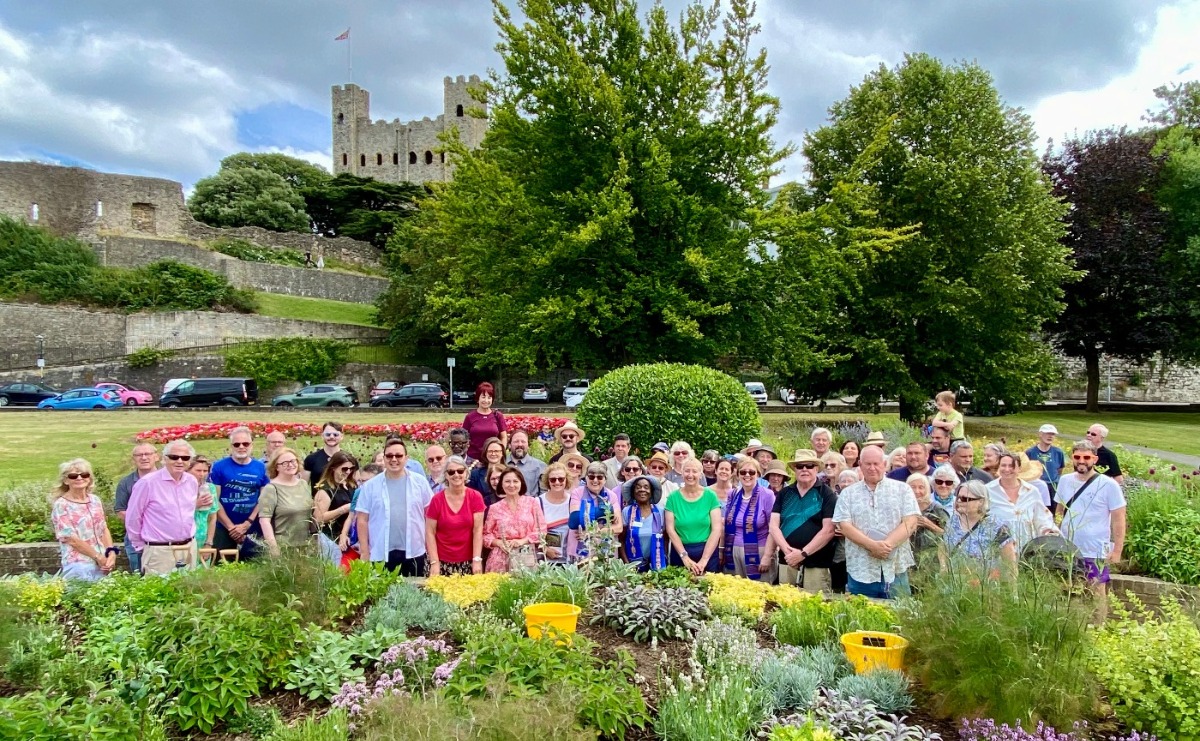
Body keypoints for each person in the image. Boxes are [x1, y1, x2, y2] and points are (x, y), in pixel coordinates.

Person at [832, 445, 919, 599]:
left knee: (901, 617)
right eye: (868, 464)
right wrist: (872, 546)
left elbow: (910, 521)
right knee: (862, 617)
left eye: (876, 464)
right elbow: (844, 526)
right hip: (861, 570)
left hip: (895, 568)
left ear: (884, 464)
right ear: (860, 465)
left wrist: (887, 546)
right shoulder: (848, 494)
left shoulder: (902, 489)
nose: (872, 468)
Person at [1055, 440, 1126, 619]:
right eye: (1077, 457)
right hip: (1068, 546)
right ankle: (1072, 625)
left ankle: (1099, 627)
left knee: (1097, 589)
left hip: (1095, 548)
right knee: (1068, 587)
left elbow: (1119, 519)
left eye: (1086, 457)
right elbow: (1059, 511)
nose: (1081, 461)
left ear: (1094, 459)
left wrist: (1117, 550)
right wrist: (1055, 534)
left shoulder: (1108, 485)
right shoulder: (1064, 481)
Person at [354, 438, 435, 575]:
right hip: (381, 552)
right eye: (389, 456)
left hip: (414, 550)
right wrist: (364, 551)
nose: (394, 459)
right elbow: (362, 520)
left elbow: (430, 514)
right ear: (384, 458)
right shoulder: (370, 486)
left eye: (398, 456)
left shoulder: (419, 482)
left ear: (406, 458)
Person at [127, 440, 205, 575]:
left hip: (188, 548)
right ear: (164, 459)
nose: (179, 461)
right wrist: (141, 547)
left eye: (185, 458)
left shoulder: (191, 481)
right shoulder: (147, 483)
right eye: (174, 457)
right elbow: (133, 517)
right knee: (159, 593)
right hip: (160, 551)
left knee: (189, 592)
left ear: (189, 461)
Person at [770, 449, 837, 593]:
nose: (805, 469)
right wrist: (788, 552)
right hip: (787, 561)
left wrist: (802, 554)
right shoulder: (784, 494)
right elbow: (774, 526)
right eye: (800, 466)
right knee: (785, 605)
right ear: (794, 469)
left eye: (809, 465)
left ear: (817, 468)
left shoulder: (827, 494)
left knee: (814, 608)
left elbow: (829, 530)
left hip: (816, 563)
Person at [210, 426, 271, 560]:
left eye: (245, 443)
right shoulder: (219, 467)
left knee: (255, 565)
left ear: (252, 445)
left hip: (252, 526)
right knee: (223, 568)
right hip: (224, 528)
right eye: (237, 444)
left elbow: (264, 499)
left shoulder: (260, 467)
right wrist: (231, 528)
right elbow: (215, 500)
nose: (241, 447)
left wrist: (247, 524)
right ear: (231, 446)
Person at [52, 458, 117, 581]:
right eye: (73, 476)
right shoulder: (61, 505)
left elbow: (103, 529)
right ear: (66, 480)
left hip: (102, 564)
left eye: (84, 474)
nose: (79, 478)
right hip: (78, 564)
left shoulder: (95, 500)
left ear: (89, 478)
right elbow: (71, 539)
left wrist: (111, 553)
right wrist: (98, 557)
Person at [425, 456, 486, 576]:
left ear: (466, 473)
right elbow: (429, 532)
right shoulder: (437, 500)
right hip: (441, 561)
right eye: (451, 472)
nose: (456, 475)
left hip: (468, 561)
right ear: (446, 475)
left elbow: (478, 530)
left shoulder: (475, 497)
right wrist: (434, 562)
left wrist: (477, 559)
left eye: (460, 471)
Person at [942, 480, 1016, 578]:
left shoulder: (997, 526)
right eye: (958, 497)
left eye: (965, 498)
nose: (959, 501)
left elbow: (1010, 564)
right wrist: (943, 566)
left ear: (980, 501)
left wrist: (1012, 591)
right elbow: (943, 546)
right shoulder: (952, 522)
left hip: (984, 587)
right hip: (955, 585)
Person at [986, 451, 1058, 551]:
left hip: (1027, 551)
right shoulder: (987, 490)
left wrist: (1049, 532)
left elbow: (1042, 518)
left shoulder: (1032, 491)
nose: (1007, 469)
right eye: (1003, 465)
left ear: (1019, 468)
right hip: (998, 553)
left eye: (1012, 466)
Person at [664, 458, 722, 575]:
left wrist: (704, 560)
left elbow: (717, 529)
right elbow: (670, 529)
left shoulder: (710, 496)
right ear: (682, 473)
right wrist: (684, 557)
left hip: (707, 551)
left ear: (701, 474)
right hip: (681, 552)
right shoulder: (673, 498)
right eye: (687, 471)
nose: (690, 475)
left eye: (694, 471)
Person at [483, 467, 546, 572]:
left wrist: (522, 541)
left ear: (521, 483)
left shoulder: (532, 503)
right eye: (507, 481)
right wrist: (499, 543)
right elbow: (486, 535)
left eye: (515, 481)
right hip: (499, 559)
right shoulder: (494, 508)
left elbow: (541, 530)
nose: (511, 485)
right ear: (501, 484)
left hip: (525, 555)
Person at [723, 458, 777, 580]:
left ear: (758, 474)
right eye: (743, 472)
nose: (747, 475)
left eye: (751, 472)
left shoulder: (767, 495)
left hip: (759, 552)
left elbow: (773, 528)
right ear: (738, 475)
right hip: (733, 551)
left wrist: (768, 556)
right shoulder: (733, 494)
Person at [259, 447, 315, 554]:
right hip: (284, 548)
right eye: (284, 463)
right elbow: (264, 520)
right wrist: (273, 548)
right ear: (276, 467)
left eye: (293, 461)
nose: (290, 465)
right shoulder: (271, 489)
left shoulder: (303, 484)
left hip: (305, 547)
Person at [113, 442, 159, 574]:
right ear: (134, 459)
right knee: (139, 575)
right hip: (135, 539)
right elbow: (120, 510)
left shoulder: (166, 480)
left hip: (161, 538)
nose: (144, 458)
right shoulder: (126, 483)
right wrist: (143, 522)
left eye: (147, 454)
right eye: (139, 455)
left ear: (156, 456)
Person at [568, 461, 624, 559]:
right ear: (586, 478)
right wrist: (606, 512)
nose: (595, 480)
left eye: (599, 477)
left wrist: (592, 532)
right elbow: (574, 520)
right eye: (591, 476)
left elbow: (619, 528)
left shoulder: (611, 496)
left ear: (605, 479)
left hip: (605, 550)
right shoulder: (577, 493)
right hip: (581, 548)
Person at [314, 451, 358, 562]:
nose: (348, 472)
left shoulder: (351, 484)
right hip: (331, 538)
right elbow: (318, 518)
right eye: (344, 469)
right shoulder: (325, 490)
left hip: (350, 538)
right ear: (334, 468)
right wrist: (344, 509)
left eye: (351, 469)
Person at [621, 475, 668, 571]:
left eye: (646, 487)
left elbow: (666, 539)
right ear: (633, 492)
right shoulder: (627, 512)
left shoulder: (660, 512)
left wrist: (665, 559)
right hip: (632, 567)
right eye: (638, 487)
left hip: (657, 566)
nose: (642, 490)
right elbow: (621, 540)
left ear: (651, 492)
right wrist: (627, 565)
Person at [907, 473, 946, 566]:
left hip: (930, 560)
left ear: (927, 489)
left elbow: (948, 535)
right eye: (913, 487)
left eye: (921, 487)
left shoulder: (936, 508)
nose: (917, 491)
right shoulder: (903, 507)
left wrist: (928, 524)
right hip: (908, 559)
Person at [463, 382, 507, 461]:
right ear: (478, 399)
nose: (486, 400)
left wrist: (501, 453)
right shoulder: (470, 417)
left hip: (493, 458)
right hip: (473, 459)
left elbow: (503, 437)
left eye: (489, 397)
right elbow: (463, 438)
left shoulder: (498, 416)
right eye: (483, 397)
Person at [538, 463, 572, 564]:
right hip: (545, 560)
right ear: (548, 481)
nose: (557, 482)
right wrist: (545, 549)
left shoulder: (573, 501)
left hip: (569, 560)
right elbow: (532, 531)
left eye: (561, 479)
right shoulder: (538, 502)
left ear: (566, 480)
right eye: (553, 479)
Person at [187, 456, 220, 555]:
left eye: (205, 471)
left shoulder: (210, 488)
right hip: (185, 540)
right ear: (188, 470)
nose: (201, 474)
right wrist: (195, 505)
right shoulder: (181, 488)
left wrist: (209, 543)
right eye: (198, 470)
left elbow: (213, 517)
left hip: (203, 539)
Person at [1026, 424, 1066, 497]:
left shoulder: (1058, 452)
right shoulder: (1030, 452)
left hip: (1053, 488)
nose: (1050, 436)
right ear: (1040, 434)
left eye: (1053, 434)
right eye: (1048, 433)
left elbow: (1060, 470)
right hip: (1037, 488)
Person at [303, 421, 344, 488]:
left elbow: (356, 485)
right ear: (322, 436)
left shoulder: (349, 459)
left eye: (335, 434)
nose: (331, 437)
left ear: (342, 436)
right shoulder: (311, 459)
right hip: (318, 498)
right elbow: (303, 486)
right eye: (328, 434)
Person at [507, 430, 546, 496]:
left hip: (531, 505)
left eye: (523, 441)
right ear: (509, 445)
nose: (520, 444)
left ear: (528, 445)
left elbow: (544, 493)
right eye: (516, 441)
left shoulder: (540, 466)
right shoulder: (501, 464)